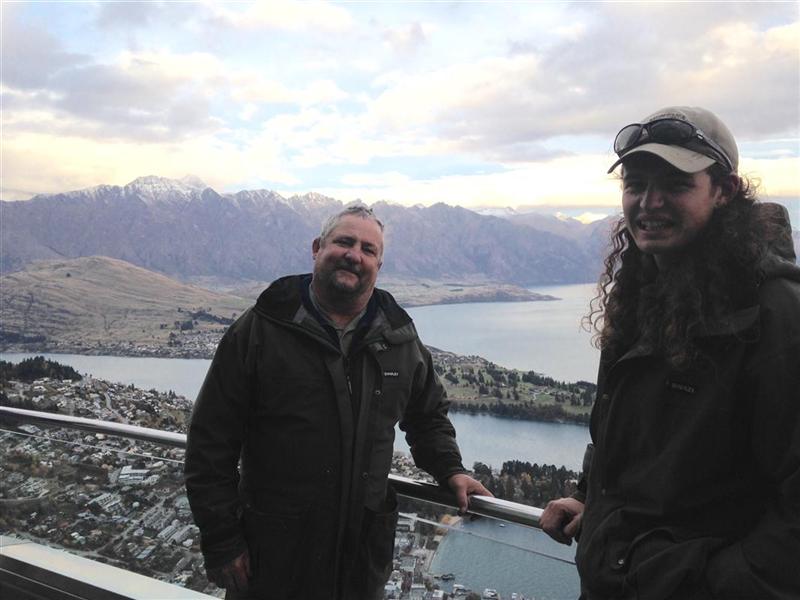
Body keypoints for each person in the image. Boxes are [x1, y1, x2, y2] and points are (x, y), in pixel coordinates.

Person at [540, 106, 800, 599]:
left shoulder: (775, 316)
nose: (649, 202)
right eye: (635, 185)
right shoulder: (641, 294)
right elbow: (624, 432)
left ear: (723, 190)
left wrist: (706, 584)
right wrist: (592, 500)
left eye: (675, 185)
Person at [185, 205, 490, 600]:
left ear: (379, 265)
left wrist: (451, 470)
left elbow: (427, 416)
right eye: (344, 242)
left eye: (368, 249)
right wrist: (222, 540)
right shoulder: (262, 329)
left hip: (359, 559)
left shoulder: (399, 339)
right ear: (317, 248)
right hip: (272, 554)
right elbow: (211, 440)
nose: (354, 255)